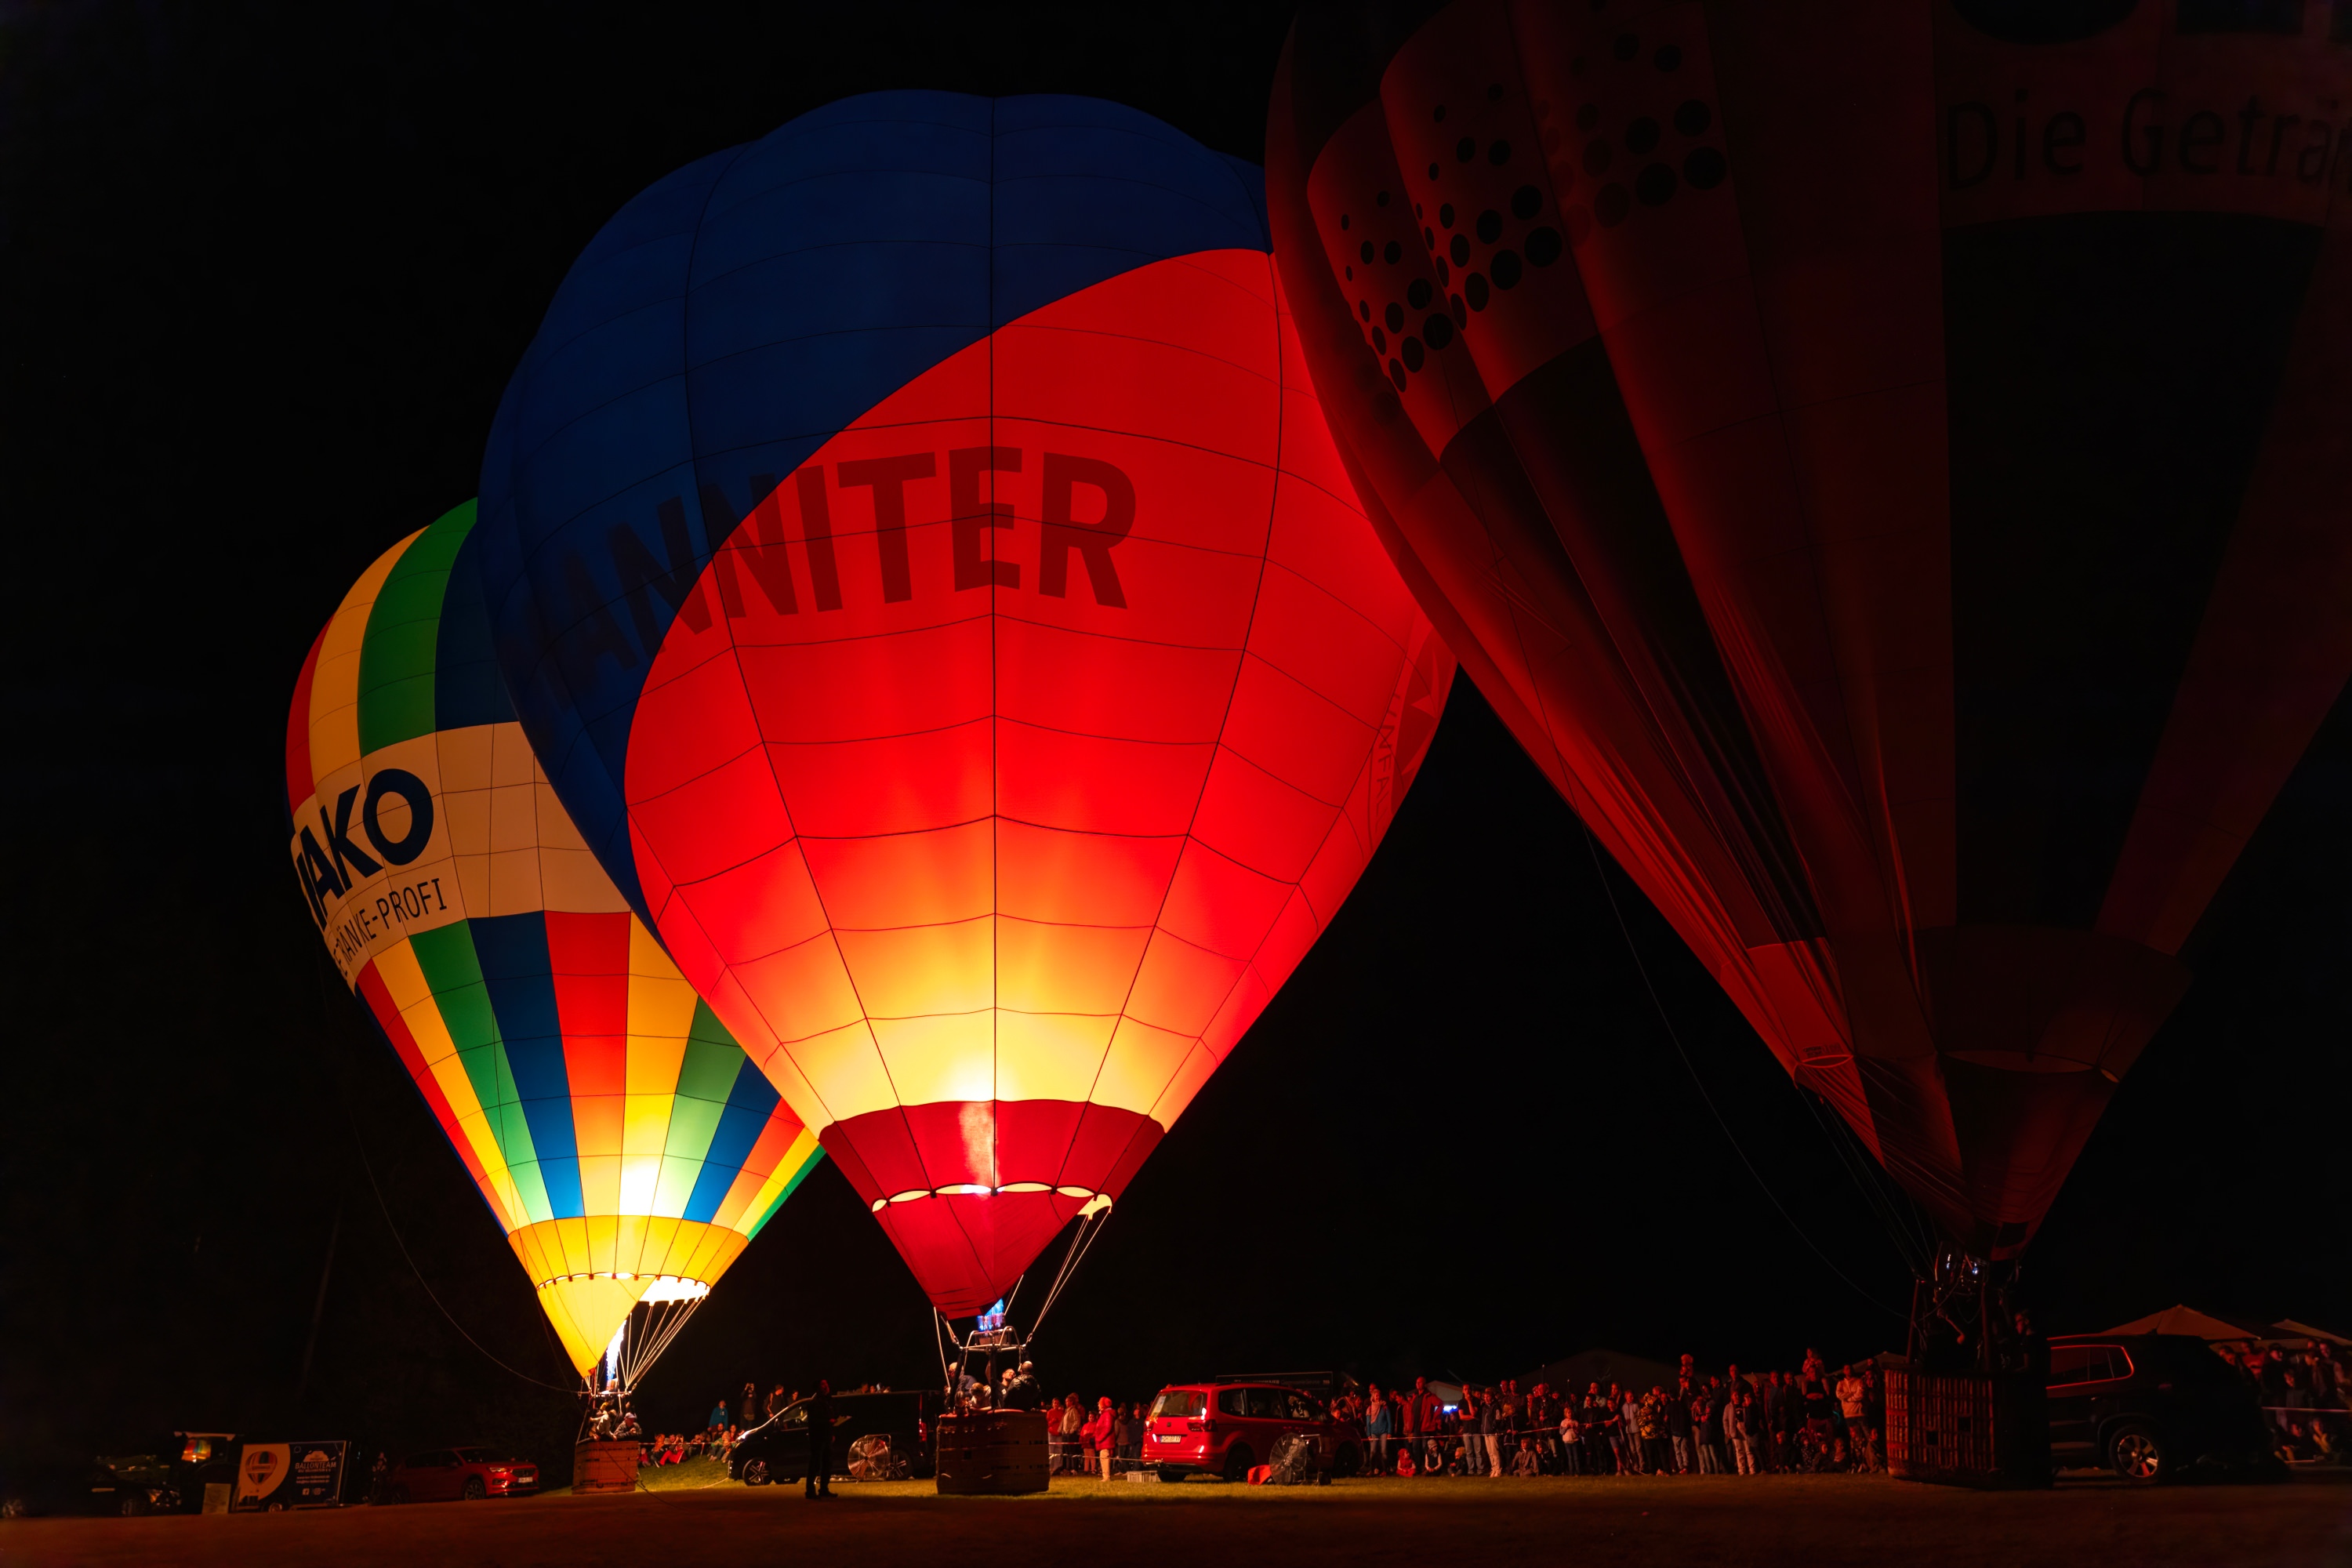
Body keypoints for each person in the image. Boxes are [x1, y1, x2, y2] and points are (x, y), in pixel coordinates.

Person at [803, 1381, 835, 1498]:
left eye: (826, 1384)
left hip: (825, 1436)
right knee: (815, 1464)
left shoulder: (827, 1400)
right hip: (818, 1437)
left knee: (827, 1463)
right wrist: (828, 1422)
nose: (826, 1386)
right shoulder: (815, 1402)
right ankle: (810, 1491)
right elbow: (816, 1421)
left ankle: (824, 1489)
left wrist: (831, 1432)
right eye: (823, 1384)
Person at [1363, 1385, 1392, 1470]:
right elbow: (1368, 1423)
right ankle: (1372, 1470)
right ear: (1373, 1397)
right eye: (1376, 1395)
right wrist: (1369, 1434)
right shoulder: (1370, 1408)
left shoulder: (1384, 1407)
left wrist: (1389, 1432)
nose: (1378, 1397)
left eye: (1379, 1395)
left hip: (1383, 1432)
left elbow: (1389, 1420)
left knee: (1384, 1451)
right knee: (1373, 1452)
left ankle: (1385, 1470)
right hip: (1374, 1432)